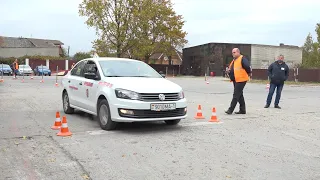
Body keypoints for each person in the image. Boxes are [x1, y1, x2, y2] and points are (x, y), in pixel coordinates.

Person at [225, 48, 251, 115]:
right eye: (232, 52)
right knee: (239, 95)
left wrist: (249, 73)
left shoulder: (242, 58)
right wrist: (228, 71)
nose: (233, 54)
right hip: (236, 79)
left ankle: (230, 110)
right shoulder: (234, 60)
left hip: (241, 79)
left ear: (238, 52)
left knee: (236, 94)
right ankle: (242, 110)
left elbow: (247, 67)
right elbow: (232, 68)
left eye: (234, 52)